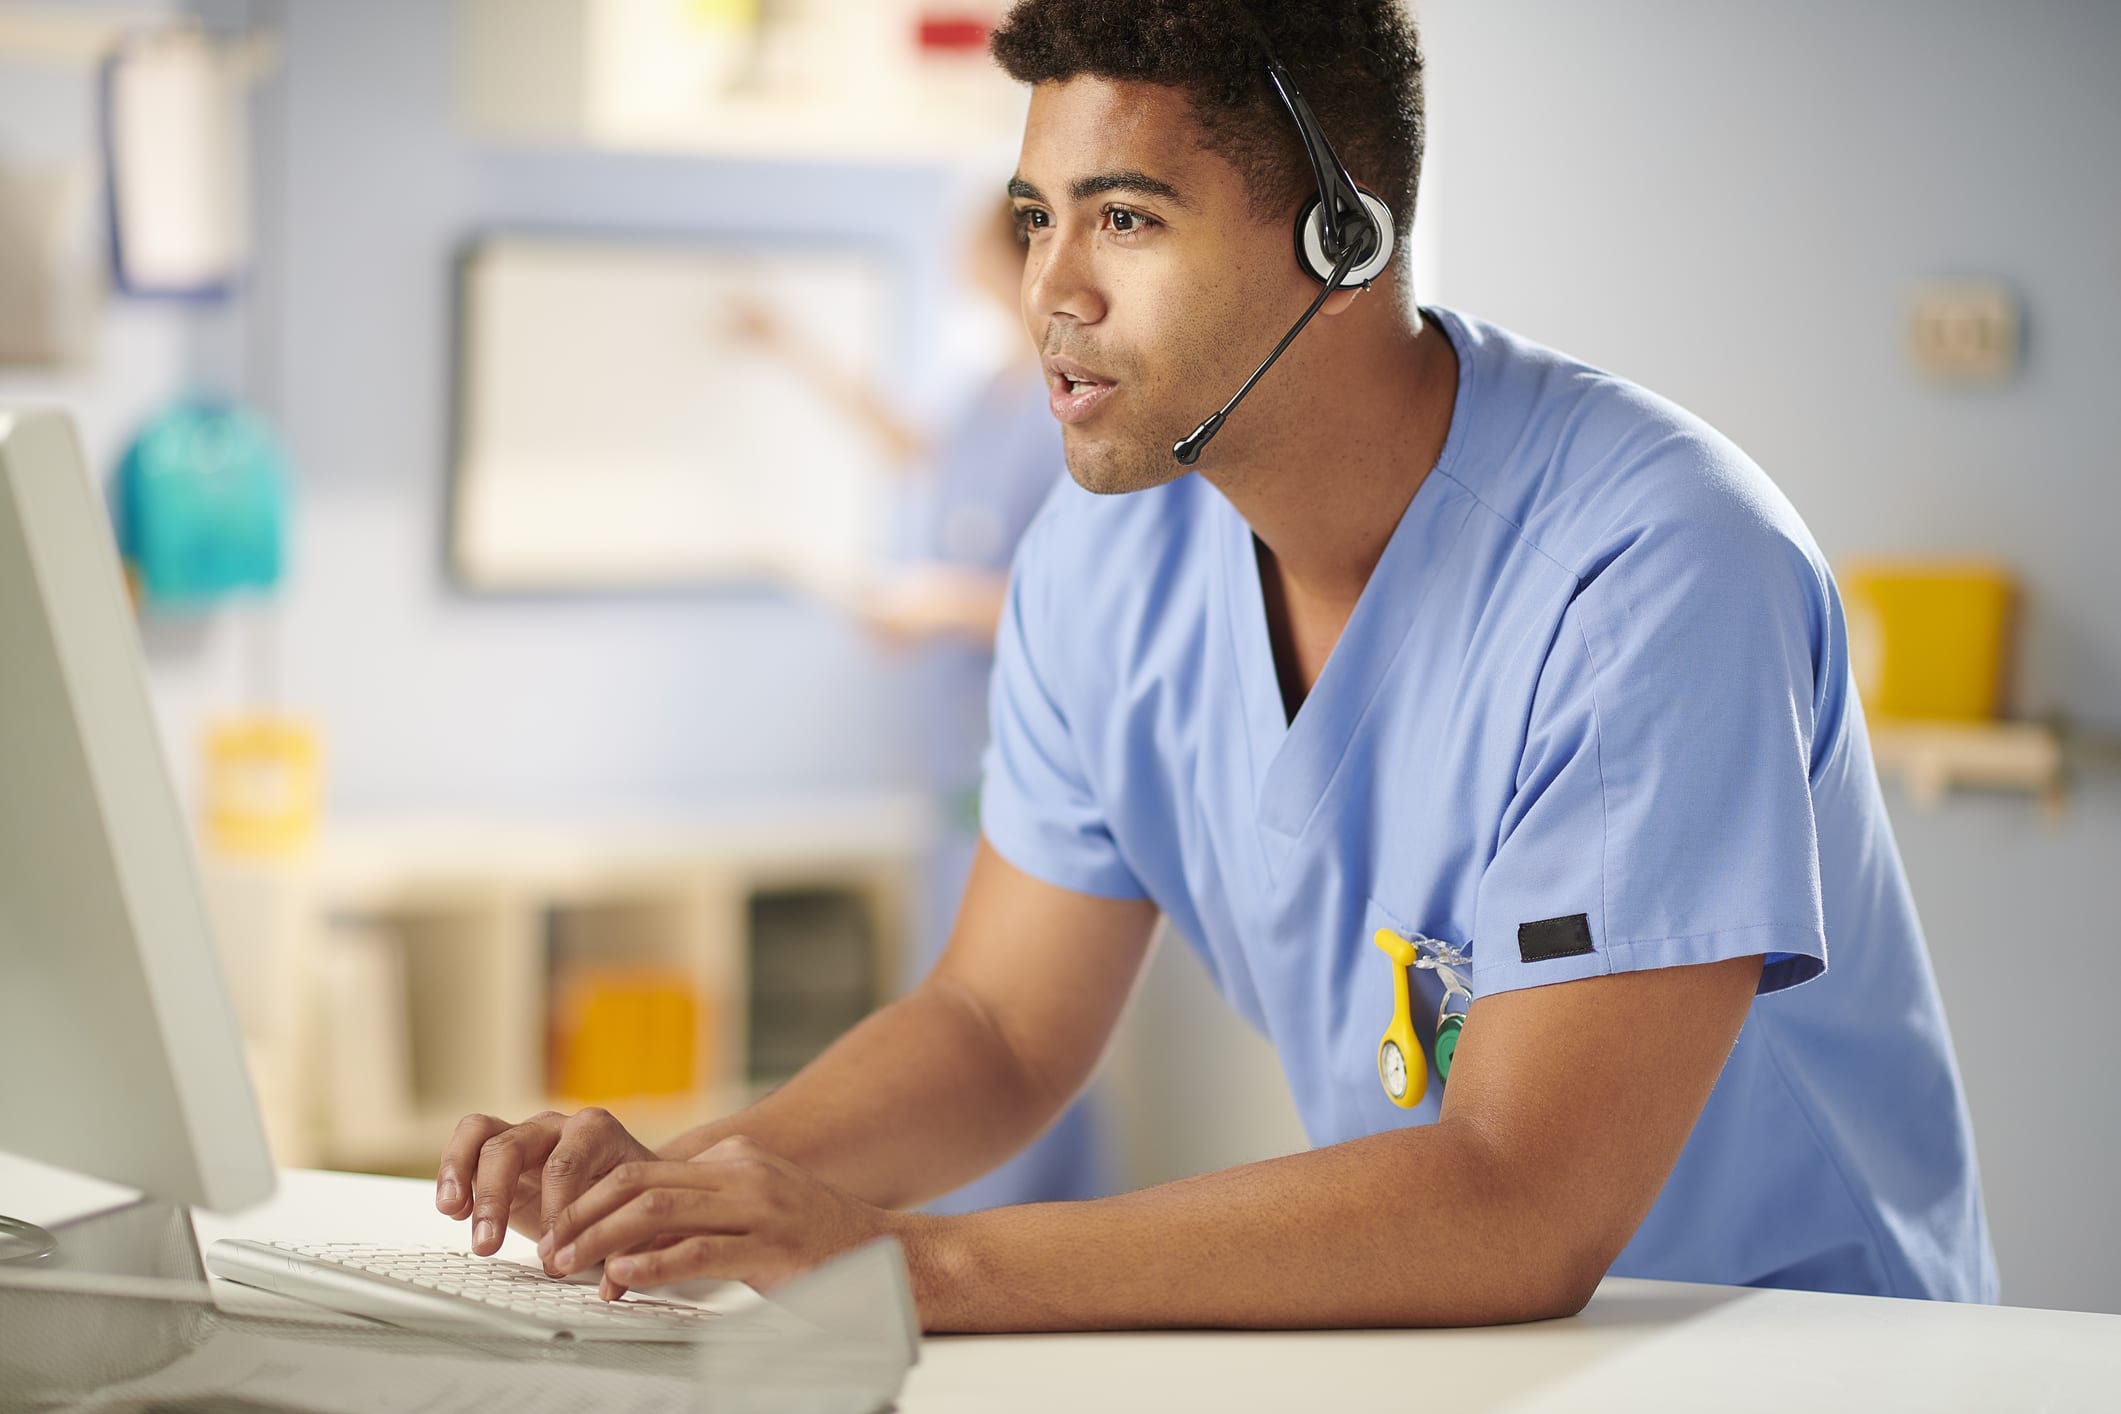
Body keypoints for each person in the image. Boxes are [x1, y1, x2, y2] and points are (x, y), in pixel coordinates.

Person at [436, 0, 1997, 1330]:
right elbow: (997, 1025)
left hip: (1786, 1355)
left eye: (1124, 217)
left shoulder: (1653, 568)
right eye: (1037, 215)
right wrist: (683, 1191)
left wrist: (911, 1259)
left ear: (1343, 239)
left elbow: (1520, 1197)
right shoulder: (1096, 562)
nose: (1051, 287)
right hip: (1449, 1345)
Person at [729, 196, 1101, 1214]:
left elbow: (1093, 603)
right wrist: (792, 350)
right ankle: (995, 1218)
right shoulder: (992, 392)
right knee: (966, 998)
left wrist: (939, 602)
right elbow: (917, 444)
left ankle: (1004, 1228)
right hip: (957, 760)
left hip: (1017, 753)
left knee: (1012, 1009)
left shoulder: (1072, 402)